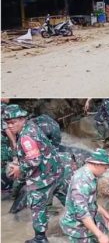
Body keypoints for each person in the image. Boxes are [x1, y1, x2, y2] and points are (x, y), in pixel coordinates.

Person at [4, 104, 68, 243]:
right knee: (68, 199)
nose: (10, 126)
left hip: (43, 177)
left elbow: (34, 160)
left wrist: (19, 168)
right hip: (56, 171)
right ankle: (85, 220)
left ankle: (40, 238)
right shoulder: (31, 127)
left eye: (13, 122)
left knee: (37, 205)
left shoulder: (26, 137)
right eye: (7, 123)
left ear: (22, 119)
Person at [60, 148, 109, 243]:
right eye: (105, 168)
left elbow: (91, 202)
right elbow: (82, 214)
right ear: (97, 164)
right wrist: (100, 235)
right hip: (77, 227)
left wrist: (105, 214)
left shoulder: (91, 176)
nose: (106, 170)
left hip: (88, 221)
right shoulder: (81, 182)